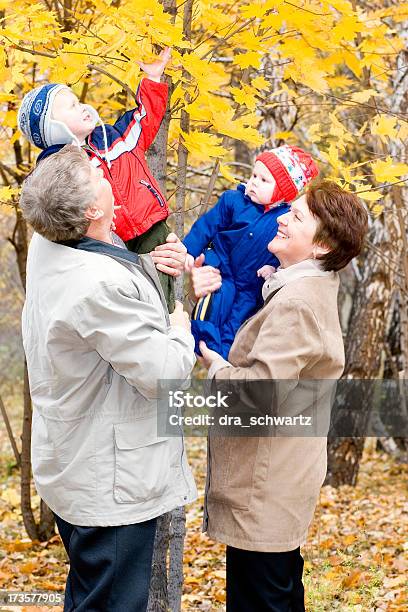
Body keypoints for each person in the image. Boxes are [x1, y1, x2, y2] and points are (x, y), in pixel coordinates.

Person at [20, 145, 197, 612]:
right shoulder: (96, 286)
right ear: (93, 209)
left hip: (77, 464)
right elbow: (165, 373)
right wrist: (182, 323)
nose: (107, 172)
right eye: (98, 173)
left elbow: (104, 273)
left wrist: (152, 263)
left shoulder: (49, 244)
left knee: (89, 597)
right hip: (110, 482)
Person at [198, 180, 368, 611]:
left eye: (296, 217)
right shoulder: (299, 288)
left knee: (263, 599)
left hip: (267, 484)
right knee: (277, 594)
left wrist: (216, 367)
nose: (282, 219)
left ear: (322, 247)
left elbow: (258, 396)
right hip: (276, 479)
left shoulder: (297, 301)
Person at [17, 47, 182, 310]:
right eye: (71, 106)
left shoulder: (113, 137)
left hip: (148, 223)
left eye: (78, 101)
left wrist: (152, 80)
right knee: (125, 294)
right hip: (105, 239)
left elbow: (145, 120)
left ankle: (165, 325)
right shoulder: (58, 170)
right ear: (53, 128)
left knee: (161, 287)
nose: (82, 107)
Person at [183, 145, 319, 358]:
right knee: (214, 305)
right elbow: (207, 226)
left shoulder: (284, 219)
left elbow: (285, 250)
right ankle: (200, 345)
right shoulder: (233, 201)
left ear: (283, 193)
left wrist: (272, 267)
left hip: (250, 284)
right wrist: (189, 250)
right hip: (222, 268)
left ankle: (223, 357)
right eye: (254, 175)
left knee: (239, 320)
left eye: (264, 180)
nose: (254, 182)